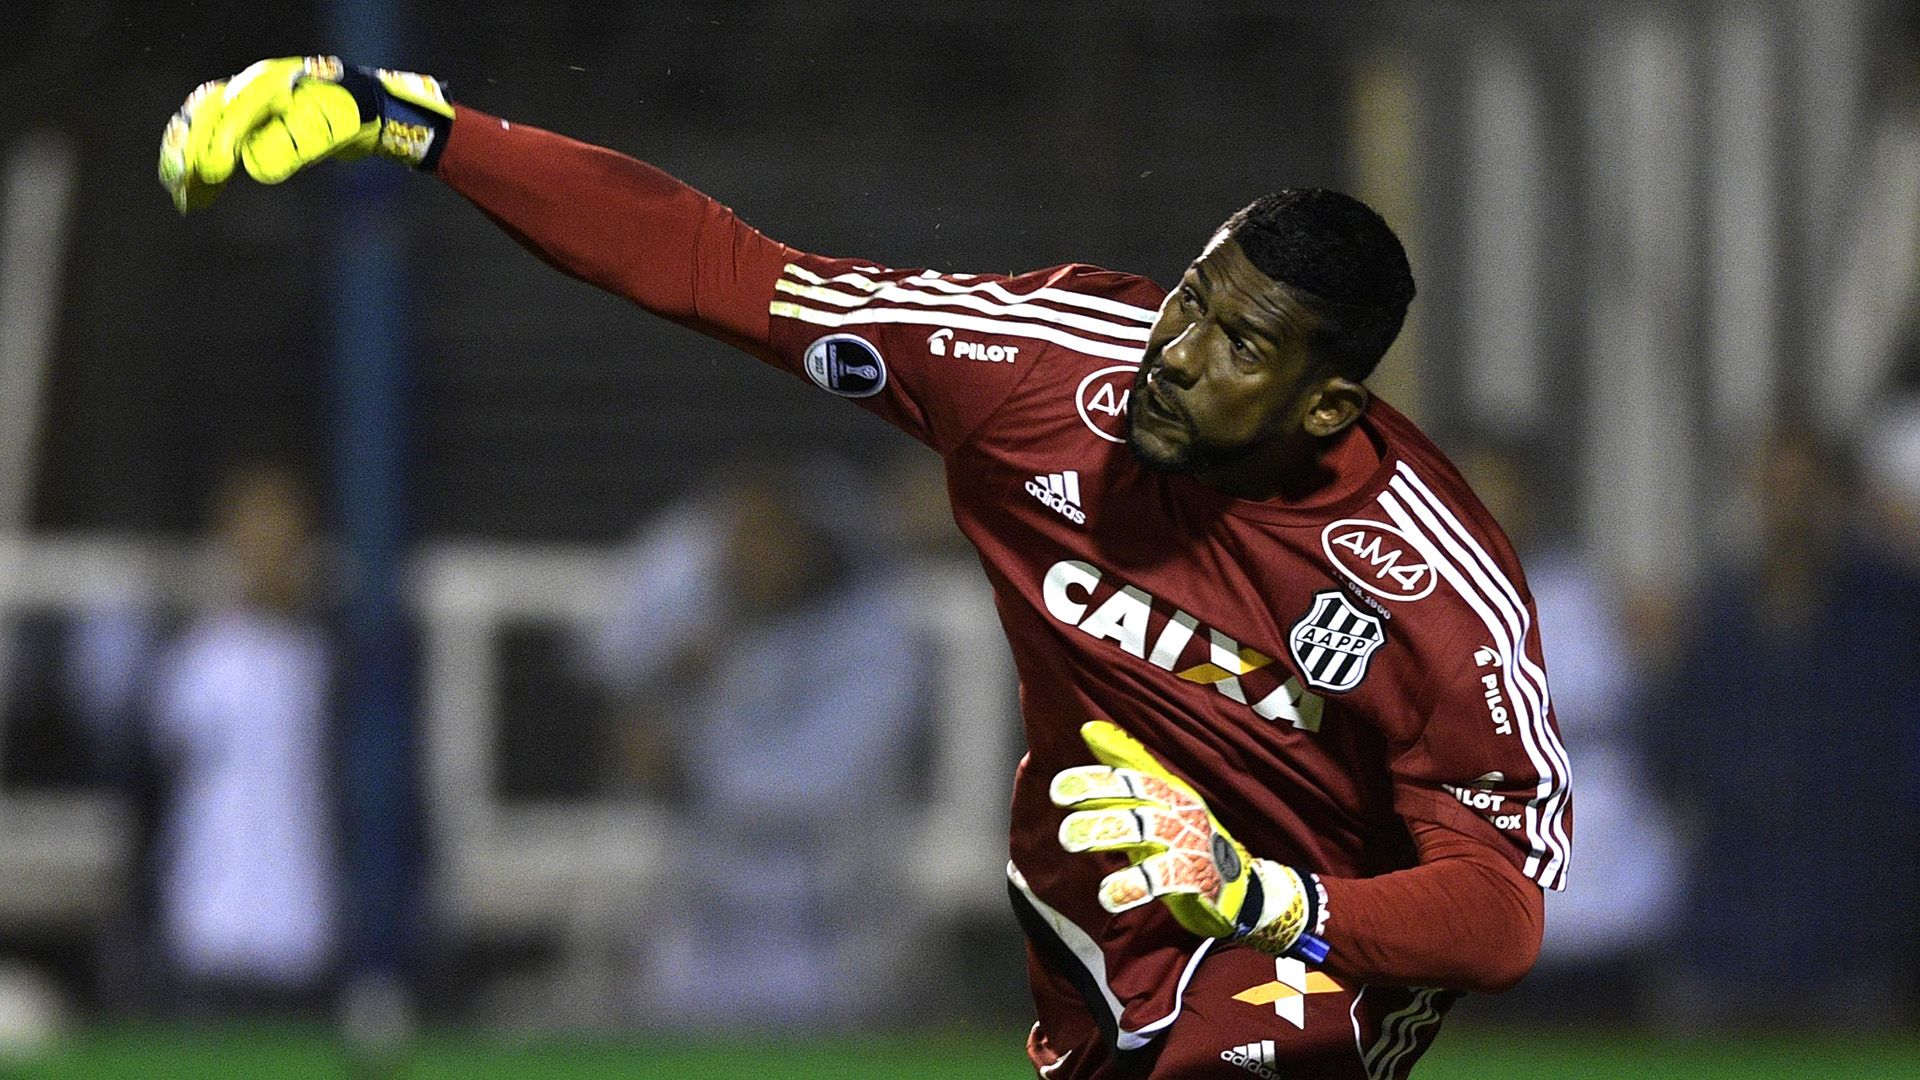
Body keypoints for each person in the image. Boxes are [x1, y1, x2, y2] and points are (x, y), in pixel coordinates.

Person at [157, 58, 1571, 1078]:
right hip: (1093, 902)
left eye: (1243, 346)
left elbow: (1500, 915)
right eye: (1193, 301)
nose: (1181, 355)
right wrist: (420, 127)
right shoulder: (1036, 374)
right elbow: (718, 268)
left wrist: (1267, 897)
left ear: (1329, 406)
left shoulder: (1433, 587)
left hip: (1314, 951)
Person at [146, 461, 340, 1016]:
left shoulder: (327, 661)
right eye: (254, 540)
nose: (267, 556)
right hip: (210, 921)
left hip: (304, 924)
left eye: (281, 541)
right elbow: (154, 782)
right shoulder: (197, 658)